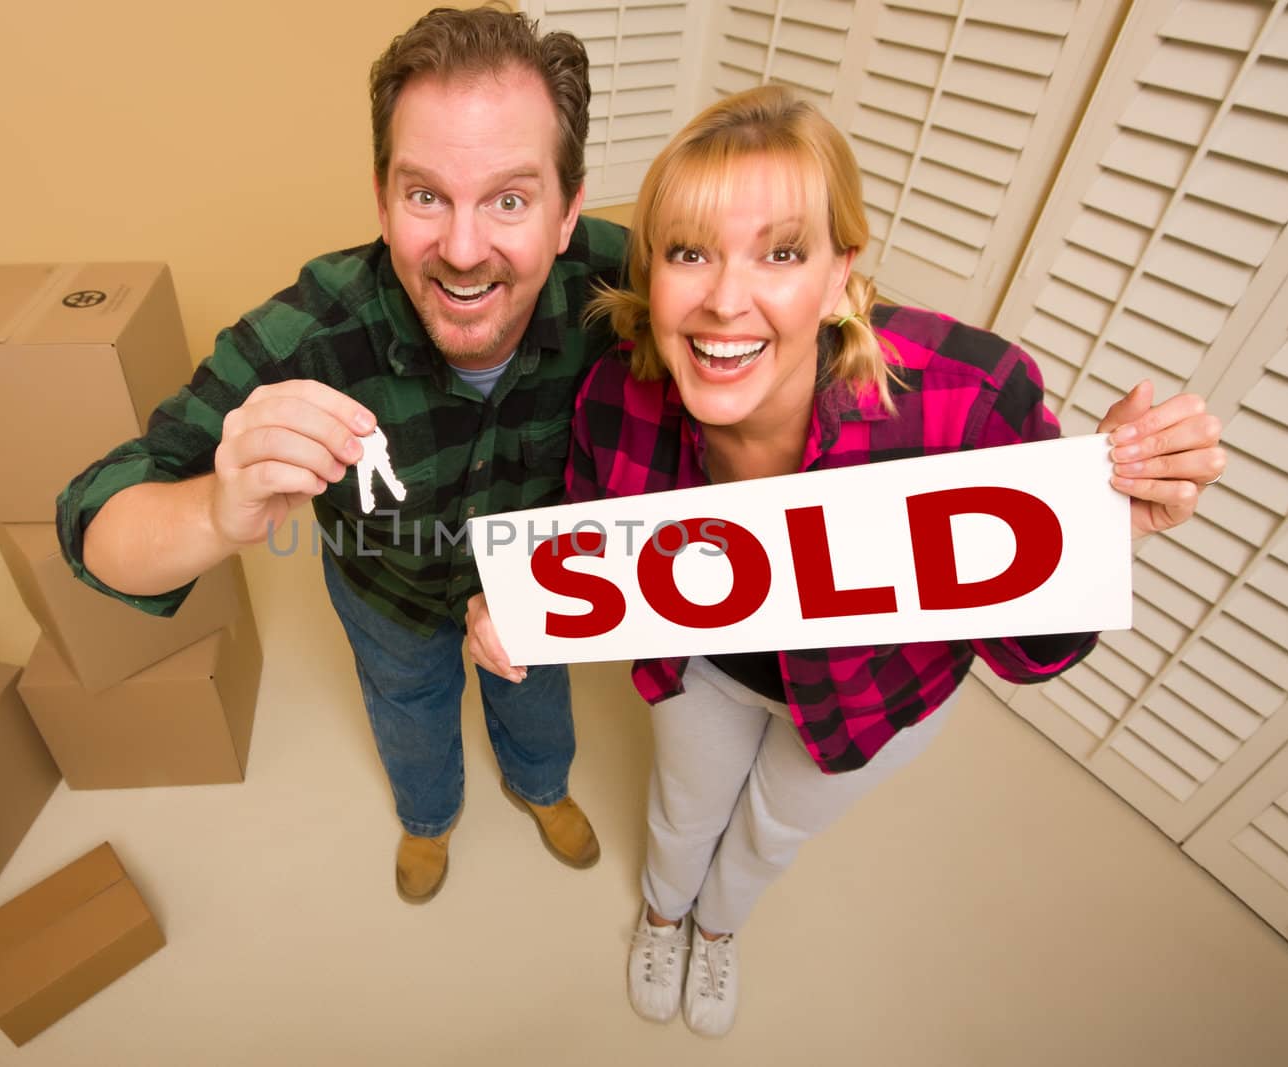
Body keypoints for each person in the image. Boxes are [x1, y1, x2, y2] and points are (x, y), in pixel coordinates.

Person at [469, 85, 1225, 1036]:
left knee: (773, 827)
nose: (724, 299)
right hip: (705, 668)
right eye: (689, 252)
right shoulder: (618, 397)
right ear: (651, 272)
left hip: (872, 689)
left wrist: (1099, 525)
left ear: (839, 275)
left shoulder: (969, 399)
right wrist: (520, 609)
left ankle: (719, 927)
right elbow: (589, 552)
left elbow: (1030, 655)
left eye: (780, 253)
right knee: (682, 809)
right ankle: (663, 913)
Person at [55, 5, 623, 904]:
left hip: (541, 589)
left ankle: (541, 788)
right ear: (383, 198)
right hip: (386, 596)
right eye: (425, 194)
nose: (463, 251)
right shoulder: (311, 332)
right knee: (409, 712)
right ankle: (428, 821)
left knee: (536, 694)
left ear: (567, 212)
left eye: (510, 198)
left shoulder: (627, 288)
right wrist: (212, 508)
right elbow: (94, 517)